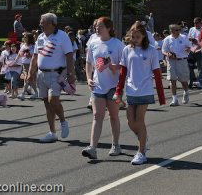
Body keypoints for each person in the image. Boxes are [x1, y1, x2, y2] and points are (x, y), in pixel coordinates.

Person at [114, 21, 163, 164]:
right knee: (130, 122)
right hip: (131, 90)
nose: (134, 39)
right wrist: (118, 91)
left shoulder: (151, 50)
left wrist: (161, 95)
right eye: (132, 36)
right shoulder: (126, 50)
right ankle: (143, 135)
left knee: (139, 121)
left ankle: (141, 152)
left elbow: (157, 73)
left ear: (143, 36)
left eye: (137, 37)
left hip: (145, 89)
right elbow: (123, 73)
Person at [27, 13, 75, 143]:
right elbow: (35, 57)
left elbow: (69, 55)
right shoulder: (41, 37)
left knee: (53, 100)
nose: (40, 25)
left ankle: (63, 121)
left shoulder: (62, 36)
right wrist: (30, 73)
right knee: (46, 103)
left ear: (50, 24)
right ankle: (52, 132)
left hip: (57, 74)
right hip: (41, 74)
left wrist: (71, 74)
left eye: (42, 23)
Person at [81, 17, 124, 159]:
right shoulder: (93, 43)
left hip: (113, 86)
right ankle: (92, 148)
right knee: (97, 116)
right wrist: (88, 78)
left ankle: (116, 145)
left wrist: (113, 67)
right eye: (96, 27)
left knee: (113, 116)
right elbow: (89, 63)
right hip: (98, 86)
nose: (96, 29)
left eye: (100, 27)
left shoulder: (117, 44)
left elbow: (125, 66)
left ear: (108, 28)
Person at [162, 24, 191, 106]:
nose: (179, 31)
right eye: (177, 30)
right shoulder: (167, 39)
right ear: (171, 31)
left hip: (182, 61)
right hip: (171, 62)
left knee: (183, 80)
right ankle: (174, 99)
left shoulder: (184, 37)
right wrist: (168, 54)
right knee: (172, 79)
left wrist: (188, 49)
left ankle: (186, 92)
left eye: (179, 29)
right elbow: (163, 51)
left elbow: (190, 46)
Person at [19, 33, 38, 100]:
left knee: (27, 78)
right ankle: (35, 92)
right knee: (27, 78)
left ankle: (23, 93)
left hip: (31, 64)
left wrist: (29, 55)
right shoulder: (23, 45)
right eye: (24, 37)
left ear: (29, 38)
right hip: (24, 63)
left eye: (25, 37)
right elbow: (20, 53)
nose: (24, 38)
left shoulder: (33, 46)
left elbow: (35, 55)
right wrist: (15, 61)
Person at [187, 17, 202, 88]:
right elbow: (188, 37)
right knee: (189, 65)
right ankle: (191, 79)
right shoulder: (191, 29)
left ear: (200, 23)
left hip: (199, 50)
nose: (195, 24)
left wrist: (198, 41)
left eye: (197, 23)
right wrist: (191, 39)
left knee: (200, 67)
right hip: (192, 49)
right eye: (194, 23)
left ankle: (199, 81)